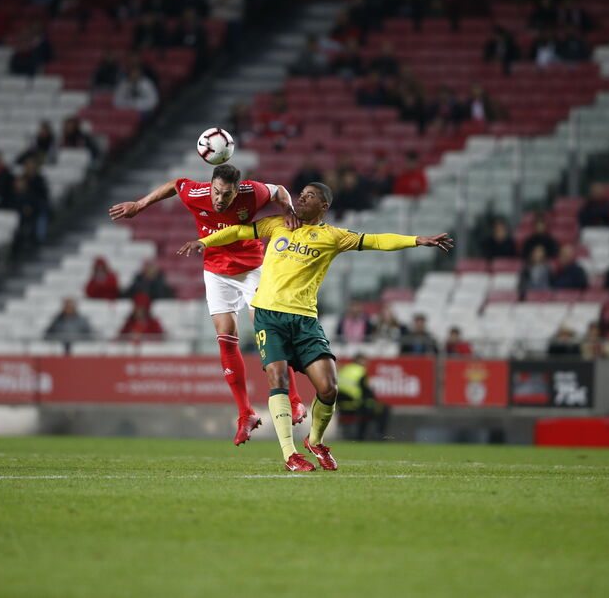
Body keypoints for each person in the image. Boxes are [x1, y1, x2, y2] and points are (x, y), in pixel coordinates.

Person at [178, 182, 452, 470]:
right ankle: (289, 454)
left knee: (329, 388)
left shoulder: (332, 236)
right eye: (301, 195)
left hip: (305, 319)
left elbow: (375, 240)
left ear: (324, 207)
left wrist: (417, 240)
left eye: (310, 197)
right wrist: (204, 242)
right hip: (268, 315)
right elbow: (238, 231)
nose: (301, 199)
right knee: (278, 379)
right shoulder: (277, 224)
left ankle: (316, 441)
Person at [109, 164, 308, 446]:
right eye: (216, 192)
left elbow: (280, 191)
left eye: (226, 195)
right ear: (210, 186)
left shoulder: (254, 192)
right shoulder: (197, 192)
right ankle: (245, 414)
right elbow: (174, 185)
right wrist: (140, 205)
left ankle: (296, 400)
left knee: (268, 331)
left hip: (252, 267)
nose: (219, 199)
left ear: (237, 191)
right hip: (216, 272)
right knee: (226, 339)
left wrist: (288, 209)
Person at [336, 354, 390, 441]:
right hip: (355, 405)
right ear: (360, 361)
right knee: (383, 409)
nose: (367, 363)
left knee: (367, 407)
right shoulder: (361, 371)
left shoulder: (345, 369)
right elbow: (366, 390)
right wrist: (375, 401)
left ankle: (361, 436)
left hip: (341, 406)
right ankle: (379, 435)